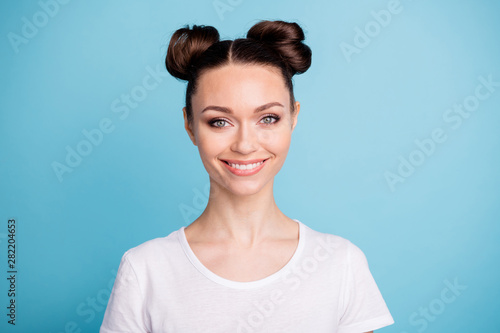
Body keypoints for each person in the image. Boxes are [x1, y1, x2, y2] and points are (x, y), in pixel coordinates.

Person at [100, 20, 394, 333]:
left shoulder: (340, 263)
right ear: (189, 125)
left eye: (268, 118)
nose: (244, 145)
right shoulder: (145, 270)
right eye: (219, 122)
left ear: (293, 117)